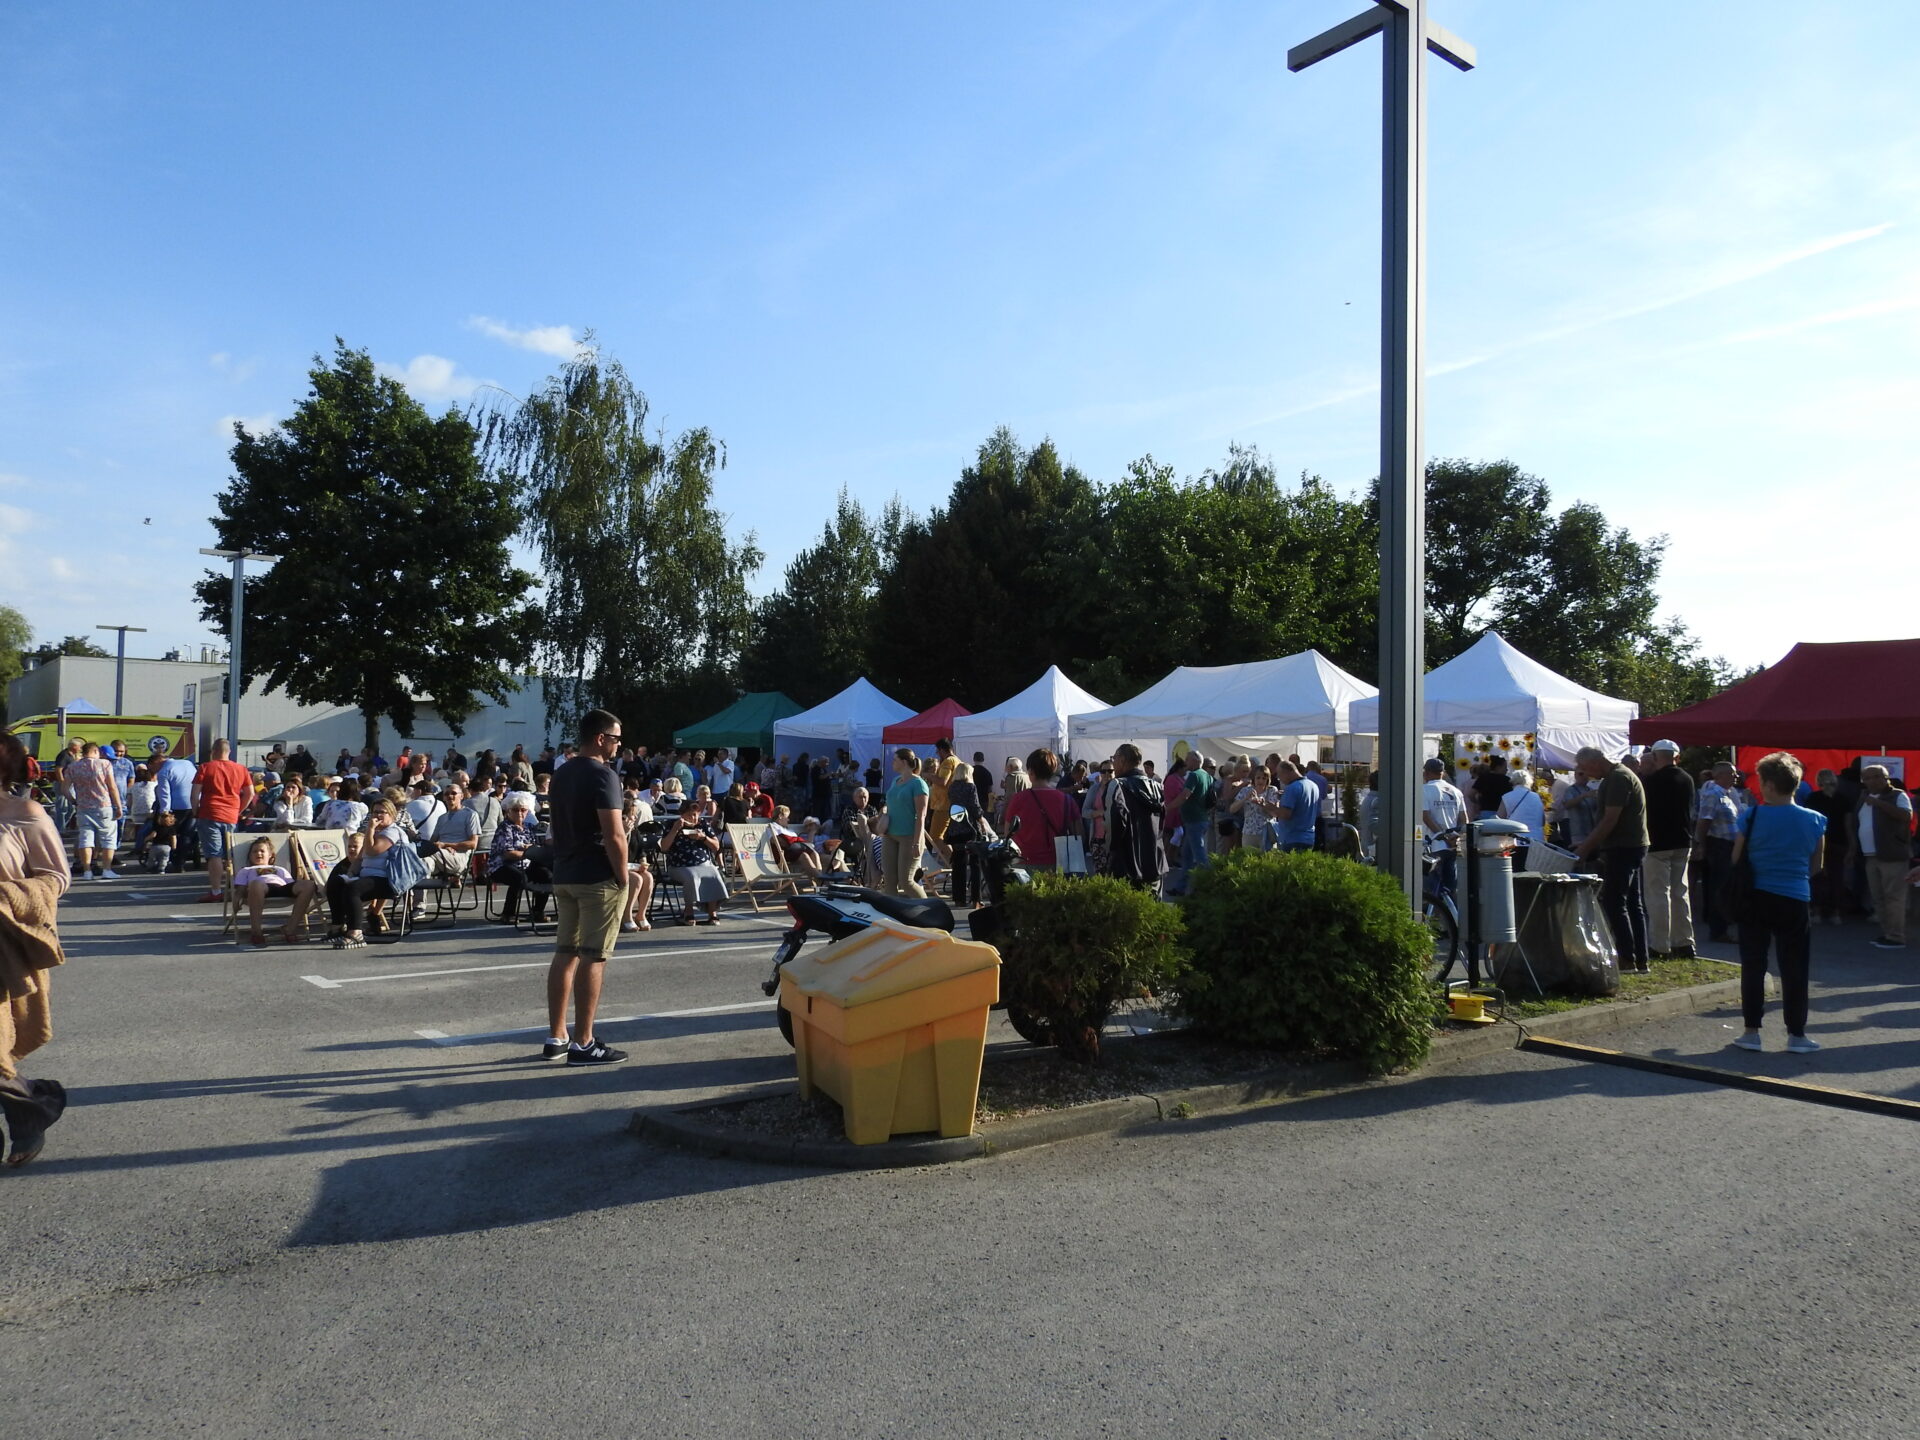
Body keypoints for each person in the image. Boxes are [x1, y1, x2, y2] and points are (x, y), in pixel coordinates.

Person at [543, 710, 631, 1066]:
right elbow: (614, 834)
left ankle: (556, 1036)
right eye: (615, 738)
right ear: (600, 738)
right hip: (596, 876)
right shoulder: (603, 774)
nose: (618, 745)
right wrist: (623, 876)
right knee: (594, 957)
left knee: (565, 953)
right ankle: (583, 1041)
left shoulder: (561, 773)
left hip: (564, 872)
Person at [0, 732, 70, 1165]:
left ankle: (34, 1108)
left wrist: (7, 896)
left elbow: (55, 878)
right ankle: (30, 1112)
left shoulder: (24, 813)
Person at [1729, 752, 1827, 1053]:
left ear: (1769, 784)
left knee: (1754, 964)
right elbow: (1817, 864)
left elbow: (1736, 859)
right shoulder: (1815, 820)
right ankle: (1796, 1034)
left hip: (1756, 895)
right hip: (1795, 896)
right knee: (1795, 966)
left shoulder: (1751, 816)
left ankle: (1751, 1032)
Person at [1574, 745, 1651, 975]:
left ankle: (1628, 958)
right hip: (1630, 845)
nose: (1587, 774)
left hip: (1624, 847)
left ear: (1597, 761)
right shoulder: (1616, 776)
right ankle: (1640, 958)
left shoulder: (1618, 778)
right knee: (1632, 903)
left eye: (1587, 768)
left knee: (1615, 902)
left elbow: (1610, 819)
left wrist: (1585, 848)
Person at [1638, 739, 1696, 958]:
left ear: (1655, 758)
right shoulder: (1687, 779)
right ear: (1676, 757)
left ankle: (1660, 945)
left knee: (1658, 894)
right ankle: (1684, 942)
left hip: (1657, 843)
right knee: (1681, 892)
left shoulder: (1650, 782)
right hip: (1682, 840)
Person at [323, 801, 406, 948]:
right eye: (375, 812)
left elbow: (373, 850)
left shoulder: (393, 832)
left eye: (382, 812)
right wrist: (350, 873)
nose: (378, 815)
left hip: (388, 879)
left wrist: (370, 829)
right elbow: (360, 858)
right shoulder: (377, 832)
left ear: (392, 815)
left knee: (354, 888)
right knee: (336, 882)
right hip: (368, 877)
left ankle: (356, 933)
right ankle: (337, 927)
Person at [1851, 764, 1913, 950]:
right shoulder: (1863, 797)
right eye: (1868, 778)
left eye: (1877, 776)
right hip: (1870, 855)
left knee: (1893, 896)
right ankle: (1887, 932)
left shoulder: (1898, 795)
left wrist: (1879, 804)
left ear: (1886, 778)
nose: (1873, 780)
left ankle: (1896, 936)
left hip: (1892, 854)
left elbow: (1906, 816)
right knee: (1878, 897)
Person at [191, 738, 253, 903]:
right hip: (231, 815)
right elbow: (250, 793)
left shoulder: (205, 767)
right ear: (229, 751)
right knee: (232, 853)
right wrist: (238, 810)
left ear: (213, 751)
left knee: (214, 854)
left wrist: (195, 810)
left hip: (209, 813)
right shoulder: (241, 769)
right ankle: (236, 887)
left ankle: (216, 890)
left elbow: (195, 793)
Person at [1002, 749, 1082, 873]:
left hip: (1023, 862)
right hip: (1058, 862)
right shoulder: (1067, 800)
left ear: (1030, 772)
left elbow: (1008, 832)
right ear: (1052, 772)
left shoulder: (1018, 799)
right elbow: (1079, 833)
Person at [231, 835, 317, 947]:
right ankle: (256, 931)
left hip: (281, 888)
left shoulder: (280, 869)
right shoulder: (246, 870)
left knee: (308, 884)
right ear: (250, 856)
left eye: (262, 851)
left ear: (271, 855)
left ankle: (290, 929)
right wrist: (236, 901)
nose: (258, 854)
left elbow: (290, 884)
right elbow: (240, 890)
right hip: (260, 889)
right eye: (254, 851)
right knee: (256, 884)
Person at [1104, 743, 1166, 889]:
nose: (1113, 762)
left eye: (1114, 758)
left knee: (1126, 910)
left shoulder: (1117, 785)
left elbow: (1114, 824)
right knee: (1152, 909)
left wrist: (1110, 856)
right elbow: (1162, 824)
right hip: (1155, 862)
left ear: (1122, 760)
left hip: (1126, 865)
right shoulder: (1156, 786)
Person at [1694, 760, 1743, 944]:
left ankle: (1721, 925)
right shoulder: (1713, 794)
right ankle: (1718, 929)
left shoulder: (1730, 794)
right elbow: (1704, 821)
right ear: (1719, 775)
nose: (1736, 776)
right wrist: (1702, 845)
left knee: (1725, 886)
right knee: (1720, 887)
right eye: (1732, 773)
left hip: (1729, 845)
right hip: (1719, 845)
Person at [662, 791, 727, 924]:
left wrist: (703, 838)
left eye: (696, 815)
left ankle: (712, 912)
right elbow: (664, 847)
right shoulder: (672, 825)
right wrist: (675, 830)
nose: (694, 818)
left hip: (703, 863)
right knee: (691, 876)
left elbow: (716, 846)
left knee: (713, 873)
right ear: (682, 815)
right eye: (690, 815)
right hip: (679, 865)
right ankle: (688, 910)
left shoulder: (702, 825)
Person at [62, 742, 123, 880]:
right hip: (103, 806)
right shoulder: (104, 764)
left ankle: (87, 871)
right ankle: (107, 869)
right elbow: (112, 787)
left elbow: (64, 789)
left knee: (85, 839)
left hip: (83, 807)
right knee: (108, 839)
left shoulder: (73, 767)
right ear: (95, 751)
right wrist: (118, 806)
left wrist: (74, 801)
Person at [486, 798, 550, 927]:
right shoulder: (505, 828)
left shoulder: (529, 828)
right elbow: (508, 854)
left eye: (523, 810)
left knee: (546, 874)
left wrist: (532, 852)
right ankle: (508, 914)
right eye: (515, 810)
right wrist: (529, 852)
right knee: (519, 878)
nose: (519, 813)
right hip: (501, 865)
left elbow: (536, 848)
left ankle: (538, 911)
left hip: (526, 864)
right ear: (508, 812)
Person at [1802, 769, 1851, 926]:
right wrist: (1852, 844)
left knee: (1817, 876)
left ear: (1818, 782)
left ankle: (1816, 910)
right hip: (1839, 841)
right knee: (1837, 878)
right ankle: (1836, 912)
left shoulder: (1813, 798)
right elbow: (1848, 825)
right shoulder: (1844, 799)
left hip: (1817, 840)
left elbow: (1809, 823)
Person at [882, 748, 931, 897]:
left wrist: (917, 843)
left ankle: (928, 911)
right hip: (890, 834)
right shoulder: (894, 781)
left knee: (906, 882)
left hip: (909, 837)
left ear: (904, 762)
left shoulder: (919, 784)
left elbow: (921, 815)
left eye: (895, 760)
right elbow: (890, 802)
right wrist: (883, 812)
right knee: (889, 880)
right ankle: (891, 915)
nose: (892, 762)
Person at [1421, 758, 1466, 899]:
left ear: (1426, 773)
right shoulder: (1456, 791)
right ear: (1443, 773)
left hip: (1433, 845)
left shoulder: (1424, 790)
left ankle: (1432, 917)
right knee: (1450, 887)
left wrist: (1443, 836)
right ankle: (1452, 916)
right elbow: (1464, 820)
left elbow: (1426, 817)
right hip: (1453, 845)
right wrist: (1455, 837)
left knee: (1431, 888)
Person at [421, 782, 482, 880]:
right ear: (444, 798)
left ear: (461, 796)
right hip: (440, 856)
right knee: (423, 863)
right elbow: (433, 842)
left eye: (453, 793)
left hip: (458, 856)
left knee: (427, 853)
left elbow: (473, 844)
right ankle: (415, 895)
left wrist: (447, 845)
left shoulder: (470, 815)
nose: (450, 796)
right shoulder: (442, 818)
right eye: (446, 794)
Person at [1176, 752, 1215, 878]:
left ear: (1194, 761)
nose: (1185, 762)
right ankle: (1181, 887)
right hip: (1200, 819)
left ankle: (1206, 885)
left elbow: (1185, 795)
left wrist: (1169, 806)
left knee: (1199, 856)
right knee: (1187, 855)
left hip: (1194, 821)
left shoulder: (1194, 775)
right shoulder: (1207, 776)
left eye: (1187, 759)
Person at [1497, 769, 1548, 864]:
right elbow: (1542, 822)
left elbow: (1500, 820)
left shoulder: (1507, 797)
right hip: (1536, 842)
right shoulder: (1536, 797)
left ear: (1513, 781)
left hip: (1515, 841)